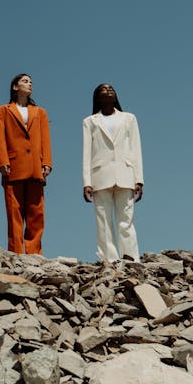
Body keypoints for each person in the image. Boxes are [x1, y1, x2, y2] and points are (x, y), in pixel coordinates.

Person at [82, 83, 143, 263]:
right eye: (103, 90)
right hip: (99, 175)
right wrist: (87, 182)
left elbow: (135, 148)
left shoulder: (129, 118)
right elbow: (87, 152)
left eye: (111, 89)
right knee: (104, 221)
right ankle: (110, 259)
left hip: (126, 173)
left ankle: (131, 257)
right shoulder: (90, 121)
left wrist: (139, 178)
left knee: (126, 219)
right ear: (97, 97)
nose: (108, 91)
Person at [0, 74, 52, 254]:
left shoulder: (40, 112)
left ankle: (35, 253)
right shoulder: (2, 111)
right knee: (14, 213)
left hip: (36, 166)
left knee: (36, 213)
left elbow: (45, 139)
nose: (30, 84)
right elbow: (0, 138)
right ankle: (16, 253)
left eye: (31, 82)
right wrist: (3, 161)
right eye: (25, 81)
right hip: (13, 166)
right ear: (15, 87)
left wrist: (47, 162)